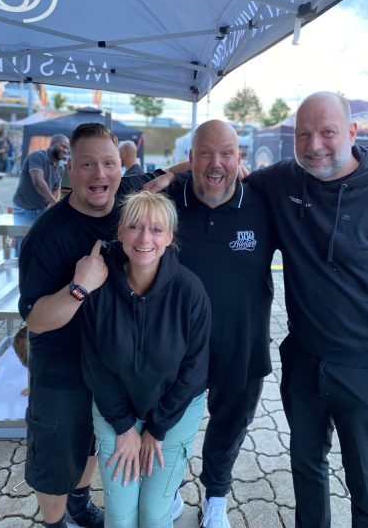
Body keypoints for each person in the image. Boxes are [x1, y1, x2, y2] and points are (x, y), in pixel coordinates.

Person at [246, 91, 368, 528]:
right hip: (303, 362)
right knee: (306, 473)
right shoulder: (286, 179)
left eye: (327, 132)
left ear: (351, 132)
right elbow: (222, 172)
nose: (314, 146)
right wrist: (165, 176)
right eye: (303, 134)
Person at [120, 119, 278, 527]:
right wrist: (170, 174)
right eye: (204, 154)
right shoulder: (167, 198)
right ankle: (169, 487)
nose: (215, 163)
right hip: (173, 349)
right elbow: (117, 189)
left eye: (226, 154)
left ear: (239, 157)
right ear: (190, 158)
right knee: (169, 425)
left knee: (229, 426)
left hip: (240, 345)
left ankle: (216, 497)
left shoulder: (263, 202)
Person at [80, 191, 211, 527]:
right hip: (116, 410)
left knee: (153, 515)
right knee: (121, 515)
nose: (144, 239)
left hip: (173, 411)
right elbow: (95, 366)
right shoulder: (98, 288)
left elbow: (194, 370)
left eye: (156, 230)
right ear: (120, 232)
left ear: (169, 237)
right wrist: (124, 427)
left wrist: (158, 427)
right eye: (135, 226)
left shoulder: (190, 291)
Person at [18, 123, 123, 528]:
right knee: (55, 455)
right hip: (61, 370)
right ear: (70, 170)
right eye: (87, 164)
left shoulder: (126, 213)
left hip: (106, 366)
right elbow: (36, 319)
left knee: (90, 442)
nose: (100, 174)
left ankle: (79, 504)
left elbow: (163, 178)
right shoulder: (47, 234)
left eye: (109, 163)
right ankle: (55, 522)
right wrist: (79, 288)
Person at [13, 134, 69, 254]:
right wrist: (55, 202)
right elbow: (38, 182)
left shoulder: (60, 166)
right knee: (22, 247)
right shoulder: (37, 156)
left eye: (67, 148)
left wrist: (50, 204)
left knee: (40, 245)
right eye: (63, 146)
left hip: (42, 210)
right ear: (53, 143)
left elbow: (56, 188)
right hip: (24, 210)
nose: (65, 150)